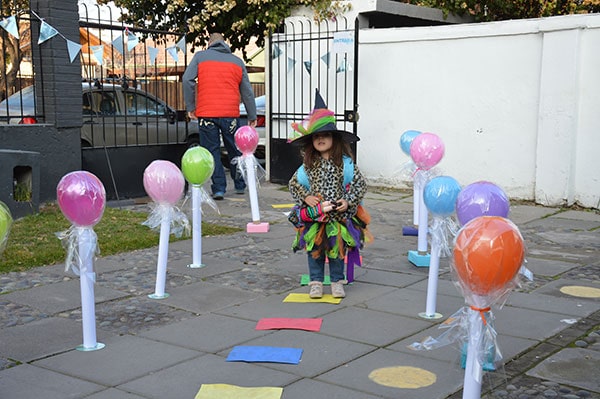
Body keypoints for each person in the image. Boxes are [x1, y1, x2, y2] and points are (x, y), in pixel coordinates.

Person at [288, 89, 370, 299]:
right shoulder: (308, 165)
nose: (321, 139)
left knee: (336, 250)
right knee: (314, 250)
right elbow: (293, 184)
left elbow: (360, 185)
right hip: (315, 216)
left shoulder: (346, 164)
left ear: (335, 139)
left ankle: (336, 281)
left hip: (337, 217)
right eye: (317, 136)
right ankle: (315, 281)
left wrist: (348, 201)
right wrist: (306, 197)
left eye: (325, 135)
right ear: (311, 141)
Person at [182, 32, 257, 200]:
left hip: (207, 114)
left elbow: (187, 79)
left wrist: (191, 107)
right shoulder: (237, 62)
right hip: (230, 114)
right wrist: (252, 115)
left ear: (209, 43)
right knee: (234, 149)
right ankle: (239, 184)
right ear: (225, 43)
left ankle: (219, 189)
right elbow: (247, 91)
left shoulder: (200, 57)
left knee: (212, 150)